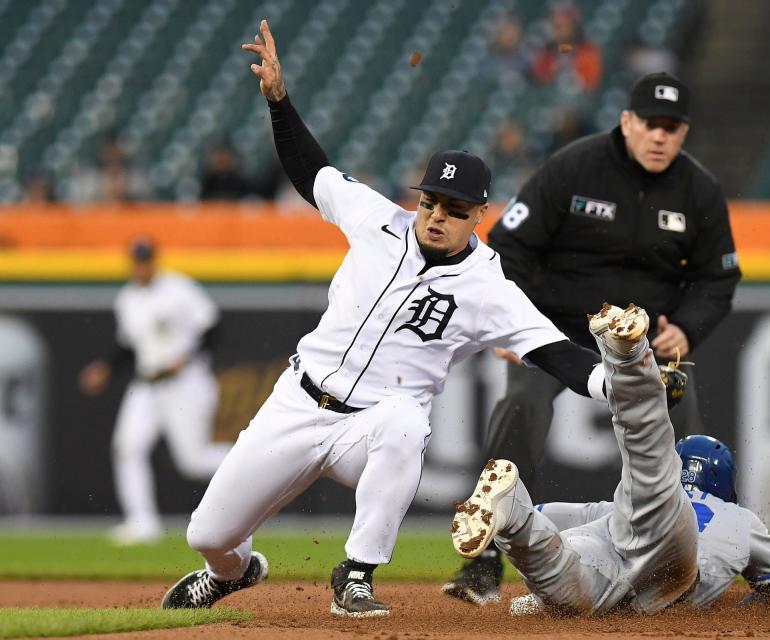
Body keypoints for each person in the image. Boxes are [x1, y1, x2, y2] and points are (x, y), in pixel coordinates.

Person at [160, 19, 610, 619]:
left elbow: (553, 350)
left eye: (453, 209)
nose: (435, 216)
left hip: (372, 426)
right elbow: (311, 172)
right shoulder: (377, 220)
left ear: (479, 213)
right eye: (429, 201)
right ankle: (234, 572)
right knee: (208, 535)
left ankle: (356, 572)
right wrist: (278, 103)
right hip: (299, 400)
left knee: (404, 421)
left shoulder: (486, 285)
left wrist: (619, 381)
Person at [443, 71, 741, 604]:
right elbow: (508, 248)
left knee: (686, 423)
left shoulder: (699, 191)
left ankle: (695, 556)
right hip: (556, 330)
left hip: (638, 339)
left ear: (684, 133)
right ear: (627, 121)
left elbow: (718, 277)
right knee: (522, 404)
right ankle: (485, 560)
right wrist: (511, 321)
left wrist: (688, 328)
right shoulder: (574, 166)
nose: (659, 137)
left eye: (672, 128)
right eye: (651, 124)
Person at [451, 302, 699, 616]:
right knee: (648, 463)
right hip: (670, 545)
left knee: (647, 459)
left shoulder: (605, 513)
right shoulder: (727, 522)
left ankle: (513, 519)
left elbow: (555, 514)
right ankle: (516, 522)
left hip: (601, 546)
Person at [509, 434, 770, 614]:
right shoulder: (742, 520)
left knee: (592, 554)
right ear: (721, 480)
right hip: (671, 593)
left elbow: (563, 512)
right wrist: (729, 612)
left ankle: (516, 523)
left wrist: (526, 514)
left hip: (622, 565)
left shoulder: (646, 506)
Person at [79, 238, 228, 545]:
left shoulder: (178, 288)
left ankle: (259, 460)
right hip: (147, 385)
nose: (140, 266)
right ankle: (142, 523)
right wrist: (106, 367)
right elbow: (128, 345)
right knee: (128, 447)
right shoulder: (127, 298)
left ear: (154, 261)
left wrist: (184, 360)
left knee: (194, 461)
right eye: (136, 261)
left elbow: (212, 329)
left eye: (145, 260)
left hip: (185, 383)